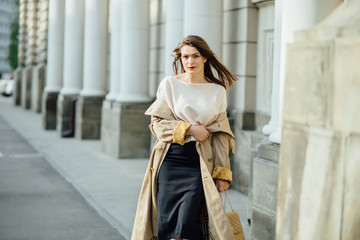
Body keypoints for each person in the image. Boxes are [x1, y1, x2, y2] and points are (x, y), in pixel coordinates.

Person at [132, 35, 237, 240]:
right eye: (185, 57)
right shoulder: (169, 84)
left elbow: (222, 135)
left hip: (199, 163)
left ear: (205, 57)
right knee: (170, 226)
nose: (190, 62)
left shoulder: (217, 91)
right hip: (169, 161)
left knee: (188, 224)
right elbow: (158, 125)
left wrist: (222, 174)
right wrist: (189, 129)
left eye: (195, 56)